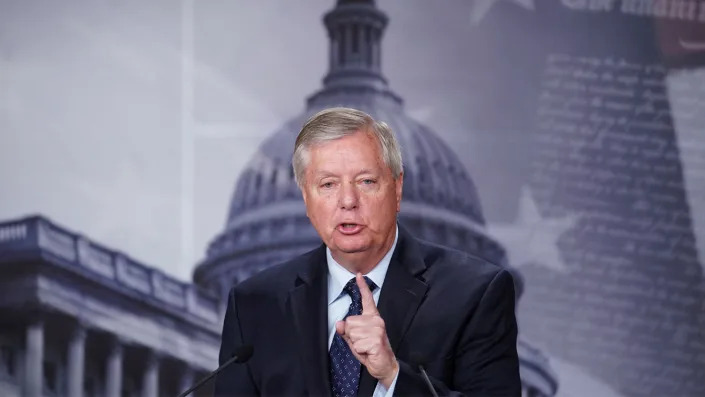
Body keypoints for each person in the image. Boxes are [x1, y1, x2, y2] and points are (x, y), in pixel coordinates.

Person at [213, 107, 521, 396]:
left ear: (397, 189)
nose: (348, 200)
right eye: (328, 184)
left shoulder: (475, 295)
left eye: (366, 181)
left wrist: (393, 375)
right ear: (306, 198)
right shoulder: (254, 306)